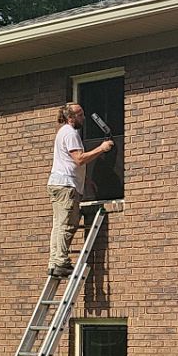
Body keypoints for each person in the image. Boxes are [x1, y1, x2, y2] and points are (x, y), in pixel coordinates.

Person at [48, 103, 114, 276]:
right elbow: (78, 159)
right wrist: (102, 148)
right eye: (80, 115)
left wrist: (86, 180)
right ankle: (61, 262)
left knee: (58, 224)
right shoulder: (70, 133)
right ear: (71, 118)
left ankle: (54, 261)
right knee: (67, 224)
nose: (83, 118)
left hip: (59, 183)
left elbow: (68, 162)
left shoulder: (63, 132)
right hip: (66, 186)